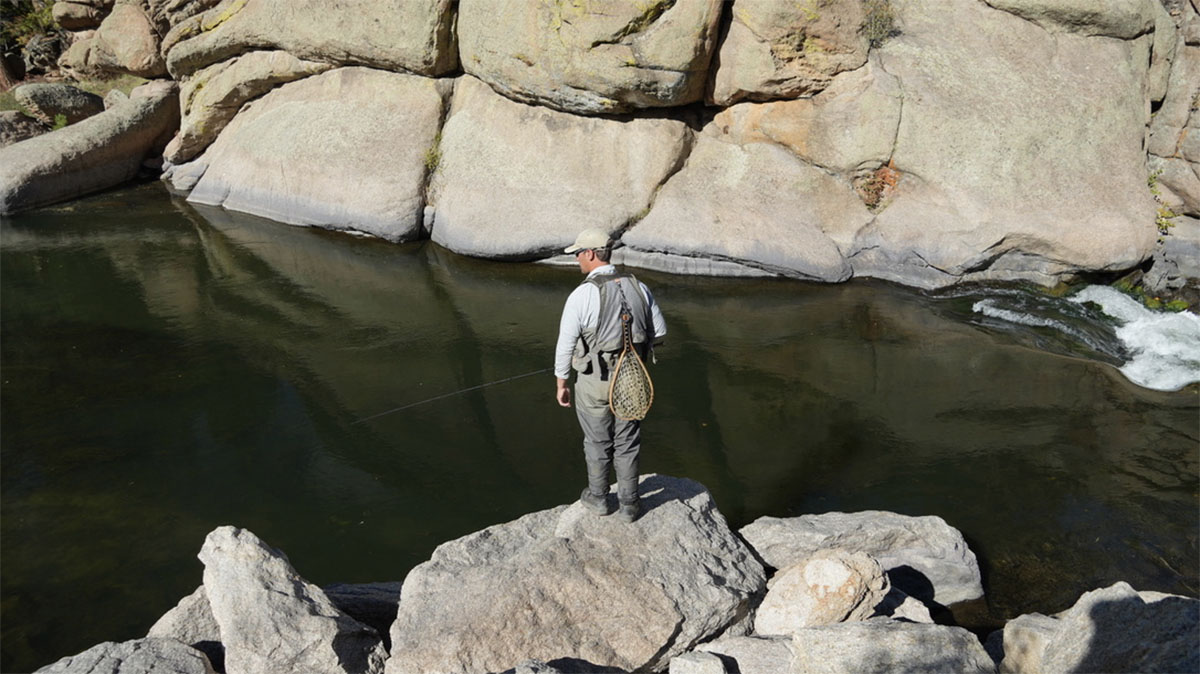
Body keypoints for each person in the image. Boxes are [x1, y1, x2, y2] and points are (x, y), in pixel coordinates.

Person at [555, 228, 667, 523]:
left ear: (591, 254)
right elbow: (661, 332)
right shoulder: (640, 287)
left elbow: (565, 344)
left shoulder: (583, 294)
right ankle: (630, 505)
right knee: (628, 441)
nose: (577, 259)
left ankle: (600, 498)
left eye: (579, 253)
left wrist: (561, 383)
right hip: (631, 379)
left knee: (597, 441)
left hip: (594, 381)